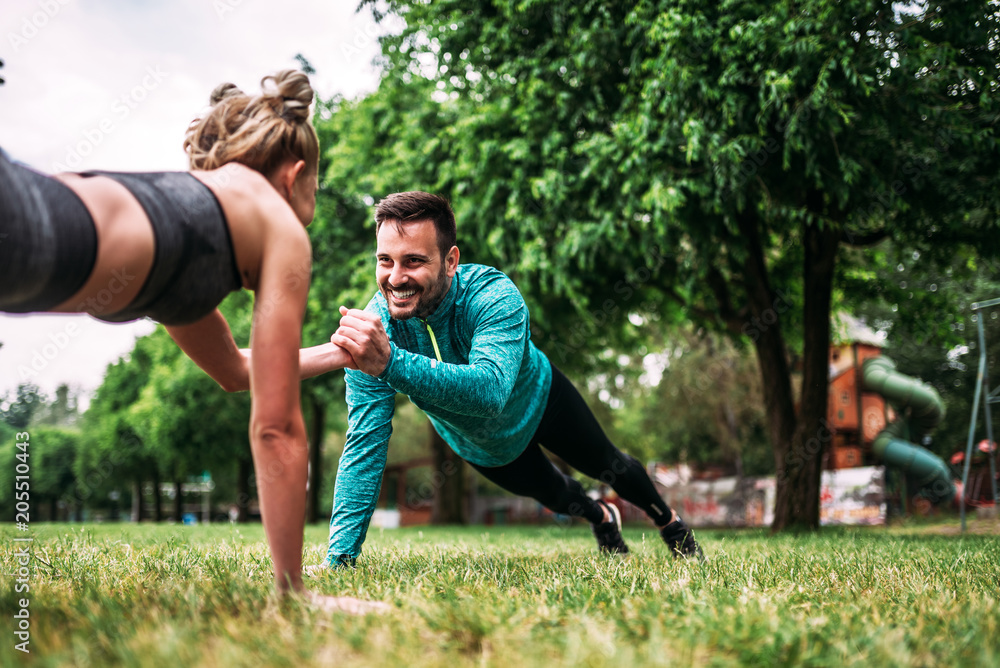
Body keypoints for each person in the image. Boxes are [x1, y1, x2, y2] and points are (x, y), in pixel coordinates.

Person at [0, 70, 385, 613]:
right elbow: (275, 426)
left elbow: (233, 370)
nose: (310, 213)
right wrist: (293, 593)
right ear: (293, 177)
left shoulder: (182, 243)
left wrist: (340, 353)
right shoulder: (280, 227)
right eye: (314, 193)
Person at [320, 191, 704, 569]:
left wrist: (390, 364)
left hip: (542, 399)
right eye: (385, 260)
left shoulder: (492, 295)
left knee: (610, 464)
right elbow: (365, 443)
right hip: (484, 444)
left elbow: (490, 391)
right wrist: (340, 559)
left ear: (451, 260)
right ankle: (601, 517)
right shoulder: (375, 332)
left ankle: (671, 525)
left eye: (414, 261)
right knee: (556, 494)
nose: (396, 277)